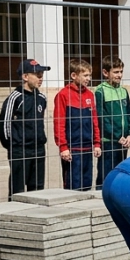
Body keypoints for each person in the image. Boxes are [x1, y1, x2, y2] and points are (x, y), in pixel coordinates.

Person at [0, 59, 51, 198]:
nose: (41, 77)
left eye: (41, 74)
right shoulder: (15, 98)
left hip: (38, 149)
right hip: (20, 149)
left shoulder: (41, 98)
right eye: (37, 74)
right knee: (18, 189)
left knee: (38, 189)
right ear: (25, 77)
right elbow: (4, 123)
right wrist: (12, 144)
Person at [54, 59, 101, 191]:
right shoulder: (63, 95)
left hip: (87, 147)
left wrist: (97, 143)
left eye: (90, 75)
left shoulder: (90, 95)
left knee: (86, 183)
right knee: (72, 185)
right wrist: (63, 147)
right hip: (72, 149)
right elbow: (59, 123)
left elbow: (94, 121)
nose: (89, 79)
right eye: (85, 75)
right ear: (74, 75)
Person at [95, 55, 130, 188]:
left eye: (121, 72)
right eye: (116, 72)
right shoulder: (100, 91)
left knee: (120, 172)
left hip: (124, 141)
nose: (119, 75)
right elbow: (102, 118)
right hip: (109, 141)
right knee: (106, 173)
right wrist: (117, 136)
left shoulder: (123, 91)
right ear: (106, 73)